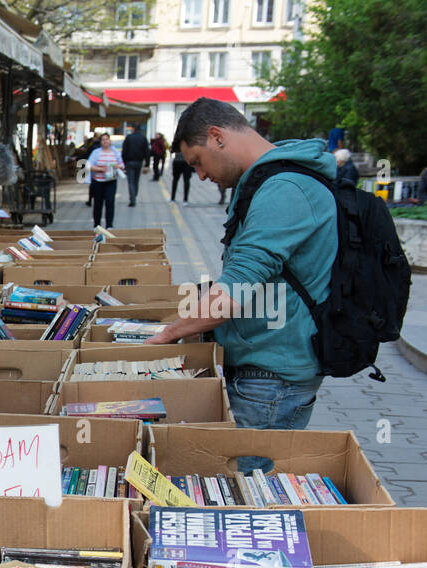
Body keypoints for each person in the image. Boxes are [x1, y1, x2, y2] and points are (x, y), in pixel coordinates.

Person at [145, 97, 338, 471]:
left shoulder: (284, 190)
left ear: (217, 136)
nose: (199, 176)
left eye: (197, 161)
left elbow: (236, 290)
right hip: (265, 369)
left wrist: (169, 334)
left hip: (271, 378)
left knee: (243, 489)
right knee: (241, 484)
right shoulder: (269, 182)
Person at [87, 133, 125, 228]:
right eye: (103, 139)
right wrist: (100, 169)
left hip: (111, 181)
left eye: (107, 139)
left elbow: (122, 165)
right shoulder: (96, 152)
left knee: (110, 202)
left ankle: (109, 225)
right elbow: (89, 165)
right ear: (100, 142)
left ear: (110, 141)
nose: (105, 141)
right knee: (98, 204)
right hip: (98, 181)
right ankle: (97, 225)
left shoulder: (115, 152)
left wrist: (117, 166)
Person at [121, 123, 148, 206]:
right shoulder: (143, 138)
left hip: (129, 162)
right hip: (139, 162)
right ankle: (134, 196)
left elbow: (124, 151)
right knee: (136, 180)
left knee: (131, 181)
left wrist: (124, 162)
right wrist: (147, 164)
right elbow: (147, 152)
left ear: (133, 129)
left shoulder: (129, 138)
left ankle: (132, 198)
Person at [169, 134, 193, 203]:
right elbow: (171, 150)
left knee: (181, 181)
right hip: (182, 162)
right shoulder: (188, 141)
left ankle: (180, 199)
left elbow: (171, 150)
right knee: (181, 181)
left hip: (182, 162)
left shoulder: (185, 142)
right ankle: (179, 199)